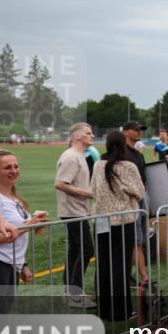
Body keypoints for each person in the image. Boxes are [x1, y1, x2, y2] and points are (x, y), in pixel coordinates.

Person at [0, 149, 50, 319]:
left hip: (10, 266)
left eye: (16, 166)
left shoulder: (15, 200)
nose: (14, 170)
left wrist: (23, 265)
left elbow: (18, 235)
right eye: (7, 167)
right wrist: (28, 226)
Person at [90, 130, 145, 321]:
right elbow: (140, 191)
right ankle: (121, 311)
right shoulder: (128, 166)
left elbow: (93, 190)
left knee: (103, 264)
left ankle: (104, 310)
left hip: (102, 220)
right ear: (123, 145)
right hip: (123, 221)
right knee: (120, 266)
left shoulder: (98, 165)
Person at [54, 123, 96, 309]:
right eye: (88, 133)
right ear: (77, 137)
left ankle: (70, 292)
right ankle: (75, 294)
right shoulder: (71, 157)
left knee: (75, 251)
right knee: (86, 250)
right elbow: (60, 183)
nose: (92, 135)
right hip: (73, 212)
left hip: (77, 210)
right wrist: (88, 194)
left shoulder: (78, 155)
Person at [122, 121, 151, 286]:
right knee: (132, 239)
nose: (139, 132)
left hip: (141, 199)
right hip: (127, 202)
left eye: (141, 129)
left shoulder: (139, 155)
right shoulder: (121, 153)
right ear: (126, 132)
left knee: (139, 239)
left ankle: (141, 276)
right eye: (136, 129)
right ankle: (141, 276)